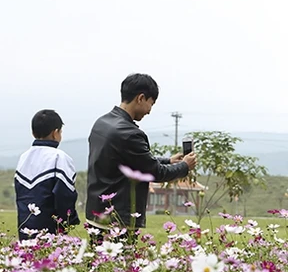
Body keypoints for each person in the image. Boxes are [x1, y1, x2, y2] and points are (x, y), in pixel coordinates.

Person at [85, 73, 197, 239]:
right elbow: (154, 172)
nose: (149, 111)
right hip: (117, 219)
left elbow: (129, 160)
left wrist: (169, 161)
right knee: (120, 264)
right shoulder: (129, 133)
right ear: (141, 98)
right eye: (151, 104)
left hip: (96, 213)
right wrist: (185, 166)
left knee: (98, 263)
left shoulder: (102, 123)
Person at [15, 109, 80, 240]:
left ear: (33, 133)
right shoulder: (59, 157)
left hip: (25, 229)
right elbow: (65, 195)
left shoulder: (23, 158)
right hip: (50, 232)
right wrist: (69, 220)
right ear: (55, 133)